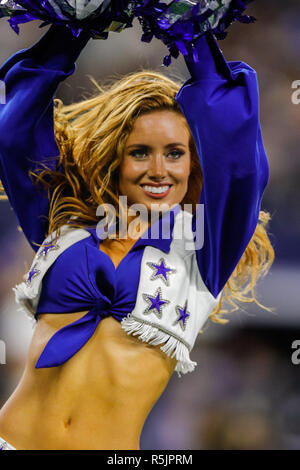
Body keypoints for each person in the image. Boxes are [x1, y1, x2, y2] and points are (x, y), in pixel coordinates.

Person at [0, 23, 274, 450]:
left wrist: (191, 28)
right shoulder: (65, 225)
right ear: (118, 159)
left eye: (175, 153)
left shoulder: (204, 251)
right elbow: (15, 130)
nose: (158, 170)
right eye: (140, 152)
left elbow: (240, 165)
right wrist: (74, 25)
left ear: (194, 165)